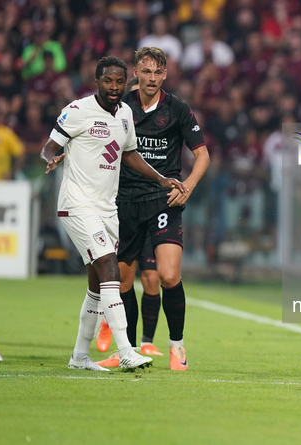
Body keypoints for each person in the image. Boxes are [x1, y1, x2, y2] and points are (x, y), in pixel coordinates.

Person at [40, 55, 187, 372]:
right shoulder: (78, 110)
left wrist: (161, 178)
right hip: (77, 204)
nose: (114, 87)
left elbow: (130, 154)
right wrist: (50, 158)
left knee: (96, 285)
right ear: (97, 81)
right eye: (108, 81)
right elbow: (50, 145)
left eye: (119, 82)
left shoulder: (125, 115)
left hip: (108, 209)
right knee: (110, 268)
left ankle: (79, 357)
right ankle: (126, 349)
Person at [98, 47, 210, 371]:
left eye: (157, 72)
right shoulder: (120, 107)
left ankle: (177, 346)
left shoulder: (177, 109)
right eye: (145, 71)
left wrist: (186, 186)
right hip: (125, 201)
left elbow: (202, 155)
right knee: (121, 281)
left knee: (168, 275)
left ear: (164, 75)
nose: (151, 78)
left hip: (164, 199)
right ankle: (128, 350)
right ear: (136, 72)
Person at [96, 77, 163, 357]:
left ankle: (146, 341)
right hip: (124, 205)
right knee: (123, 279)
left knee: (151, 278)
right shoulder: (118, 122)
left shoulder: (159, 123)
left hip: (153, 204)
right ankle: (108, 320)